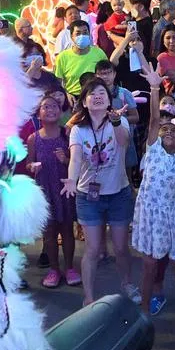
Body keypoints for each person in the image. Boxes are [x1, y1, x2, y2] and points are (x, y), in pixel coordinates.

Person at [131, 65, 175, 350]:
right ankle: (144, 316)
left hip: (172, 219)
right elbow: (152, 120)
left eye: (174, 130)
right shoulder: (152, 148)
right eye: (165, 129)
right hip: (149, 217)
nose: (169, 132)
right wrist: (155, 88)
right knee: (149, 268)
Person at [62, 78, 139, 306]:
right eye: (92, 93)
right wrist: (71, 180)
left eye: (102, 93)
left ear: (108, 99)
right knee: (93, 249)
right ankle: (89, 296)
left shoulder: (120, 121)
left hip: (119, 193)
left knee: (121, 248)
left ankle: (127, 283)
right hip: (89, 197)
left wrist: (116, 122)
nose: (97, 96)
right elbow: (75, 158)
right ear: (84, 102)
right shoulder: (78, 129)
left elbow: (124, 143)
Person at [26, 96, 78, 288]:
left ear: (61, 111)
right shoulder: (34, 138)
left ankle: (70, 267)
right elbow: (29, 162)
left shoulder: (67, 134)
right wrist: (33, 167)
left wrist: (65, 159)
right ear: (38, 113)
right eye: (45, 107)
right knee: (49, 233)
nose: (50, 109)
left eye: (54, 106)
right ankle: (54, 269)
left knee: (67, 230)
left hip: (64, 188)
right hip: (45, 189)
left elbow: (75, 162)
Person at [53, 20, 108, 97]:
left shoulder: (99, 53)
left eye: (85, 32)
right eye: (78, 33)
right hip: (73, 97)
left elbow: (107, 74)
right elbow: (57, 83)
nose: (82, 36)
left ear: (89, 34)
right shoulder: (62, 57)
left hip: (96, 95)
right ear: (72, 37)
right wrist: (66, 94)